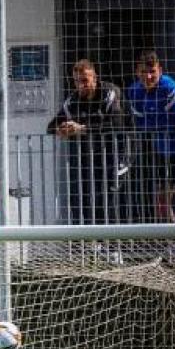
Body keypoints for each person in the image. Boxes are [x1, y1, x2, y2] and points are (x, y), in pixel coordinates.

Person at [46, 59, 129, 226]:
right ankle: (97, 244)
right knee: (88, 200)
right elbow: (50, 126)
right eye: (77, 81)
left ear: (95, 78)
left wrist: (81, 128)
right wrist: (63, 129)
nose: (81, 85)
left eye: (85, 80)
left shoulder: (110, 92)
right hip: (91, 159)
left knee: (111, 200)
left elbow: (116, 124)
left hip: (118, 155)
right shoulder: (73, 100)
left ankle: (115, 248)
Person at [126, 51, 175, 225]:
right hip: (161, 150)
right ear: (137, 72)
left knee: (174, 198)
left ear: (160, 70)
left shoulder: (169, 87)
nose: (148, 76)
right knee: (162, 201)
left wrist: (154, 123)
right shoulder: (134, 91)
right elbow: (142, 125)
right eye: (144, 72)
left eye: (153, 72)